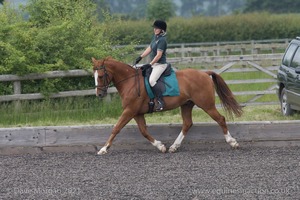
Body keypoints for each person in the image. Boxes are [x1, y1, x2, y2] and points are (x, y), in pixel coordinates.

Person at [135, 19, 168, 111]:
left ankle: (161, 101)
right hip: (154, 64)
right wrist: (140, 57)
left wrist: (149, 64)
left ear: (162, 30)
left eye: (157, 28)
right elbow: (149, 48)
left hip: (160, 64)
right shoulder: (155, 38)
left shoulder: (162, 40)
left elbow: (158, 55)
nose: (155, 29)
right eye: (154, 28)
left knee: (152, 80)